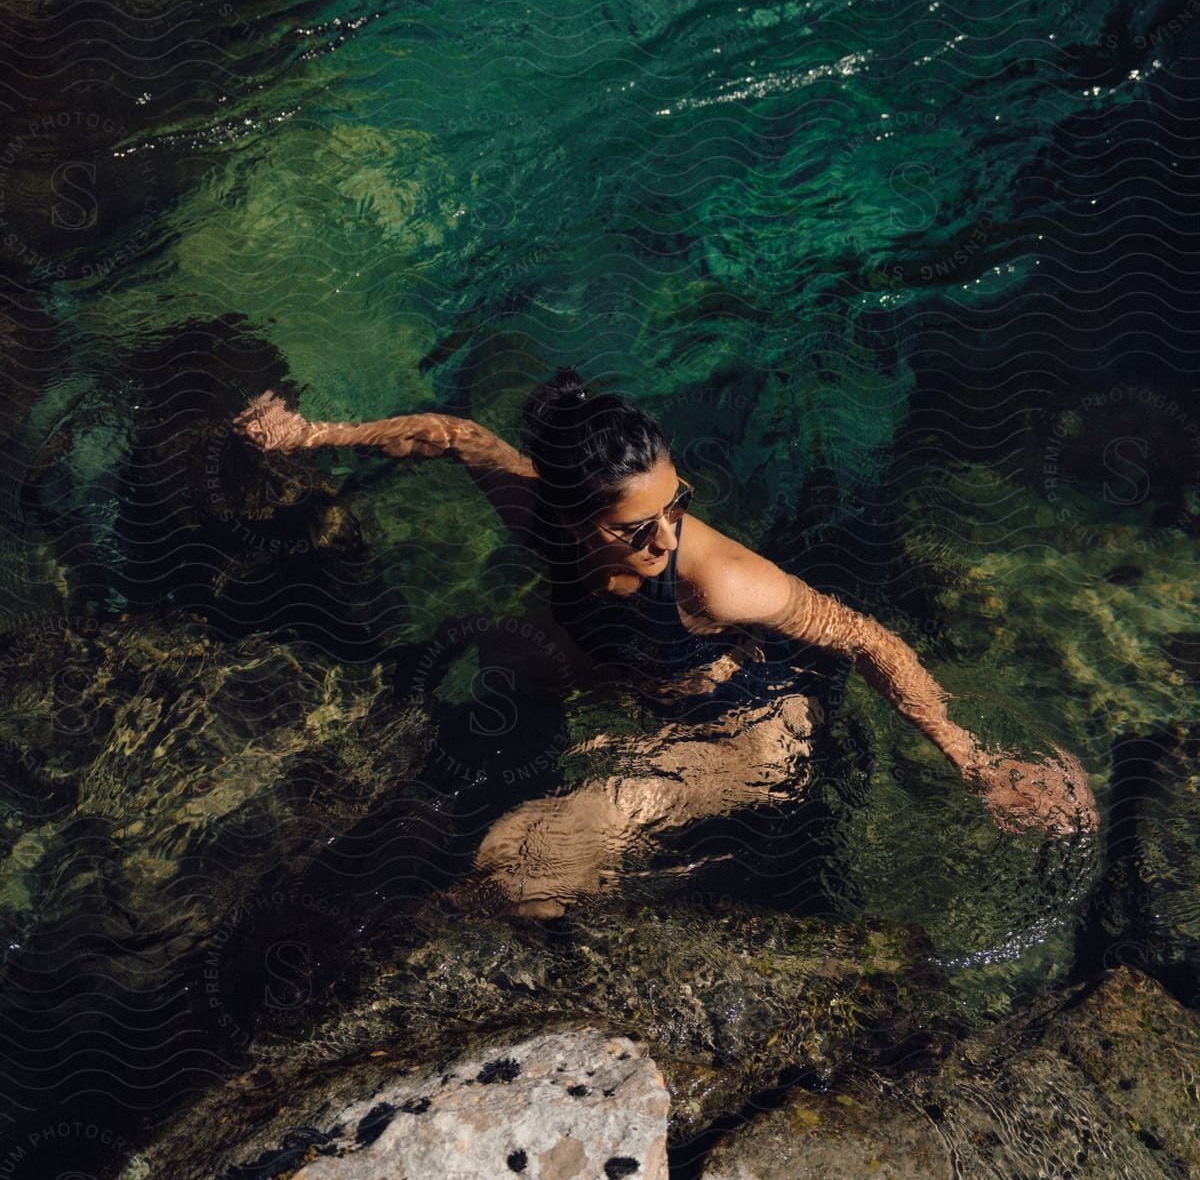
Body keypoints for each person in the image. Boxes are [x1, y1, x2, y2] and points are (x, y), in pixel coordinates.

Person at [232, 368, 1099, 917]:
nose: (664, 539)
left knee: (521, 866)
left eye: (675, 506)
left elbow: (861, 635)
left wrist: (973, 760)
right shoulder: (536, 510)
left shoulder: (713, 576)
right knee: (477, 682)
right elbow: (456, 434)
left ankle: (412, 935)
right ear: (568, 517)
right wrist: (312, 436)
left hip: (744, 724)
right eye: (634, 526)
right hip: (619, 672)